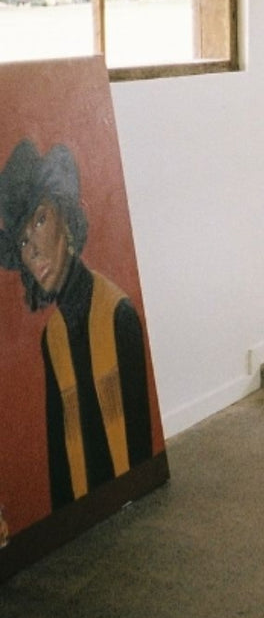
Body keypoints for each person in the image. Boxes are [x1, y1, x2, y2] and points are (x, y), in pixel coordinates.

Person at [0, 138, 152, 511]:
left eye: (40, 220)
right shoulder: (52, 338)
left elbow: (141, 449)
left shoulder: (117, 314)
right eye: (23, 241)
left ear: (65, 219)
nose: (33, 250)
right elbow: (59, 463)